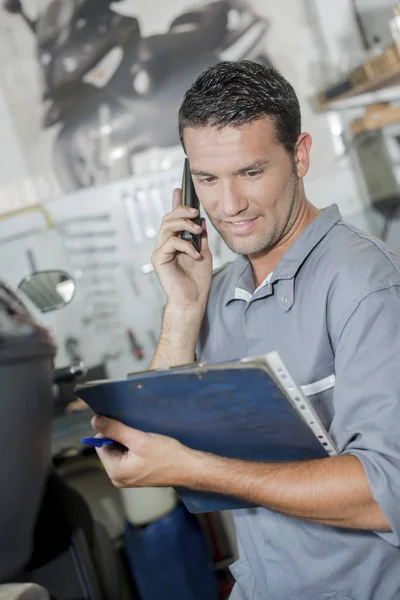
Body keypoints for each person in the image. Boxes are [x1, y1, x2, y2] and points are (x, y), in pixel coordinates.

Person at [91, 61, 400, 599]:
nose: (228, 206)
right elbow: (156, 448)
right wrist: (184, 309)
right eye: (207, 179)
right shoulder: (218, 292)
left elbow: (384, 495)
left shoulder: (366, 285)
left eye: (251, 173)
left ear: (300, 155)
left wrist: (204, 469)